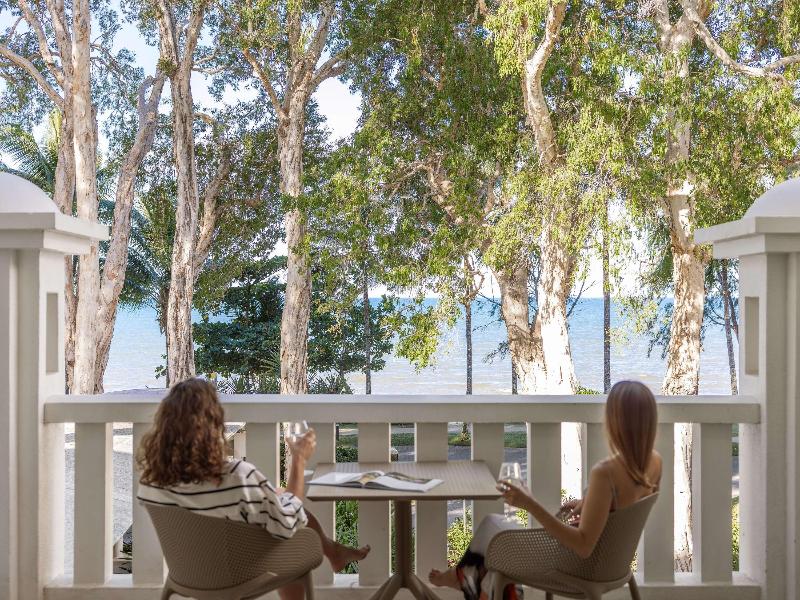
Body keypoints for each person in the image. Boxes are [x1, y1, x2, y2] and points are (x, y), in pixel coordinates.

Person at [136, 378, 370, 600]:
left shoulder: (150, 482)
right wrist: (299, 459)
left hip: (187, 572)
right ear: (214, 425)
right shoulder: (236, 476)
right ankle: (333, 551)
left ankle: (334, 551)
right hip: (237, 573)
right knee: (295, 533)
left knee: (277, 498)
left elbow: (202, 509)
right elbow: (288, 524)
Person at [429, 380, 662, 600]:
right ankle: (464, 577)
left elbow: (583, 546)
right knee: (492, 548)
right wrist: (590, 504)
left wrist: (529, 503)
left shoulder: (605, 473)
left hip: (579, 566)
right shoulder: (654, 462)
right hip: (614, 562)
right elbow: (622, 510)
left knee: (493, 531)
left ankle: (461, 577)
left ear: (615, 423)